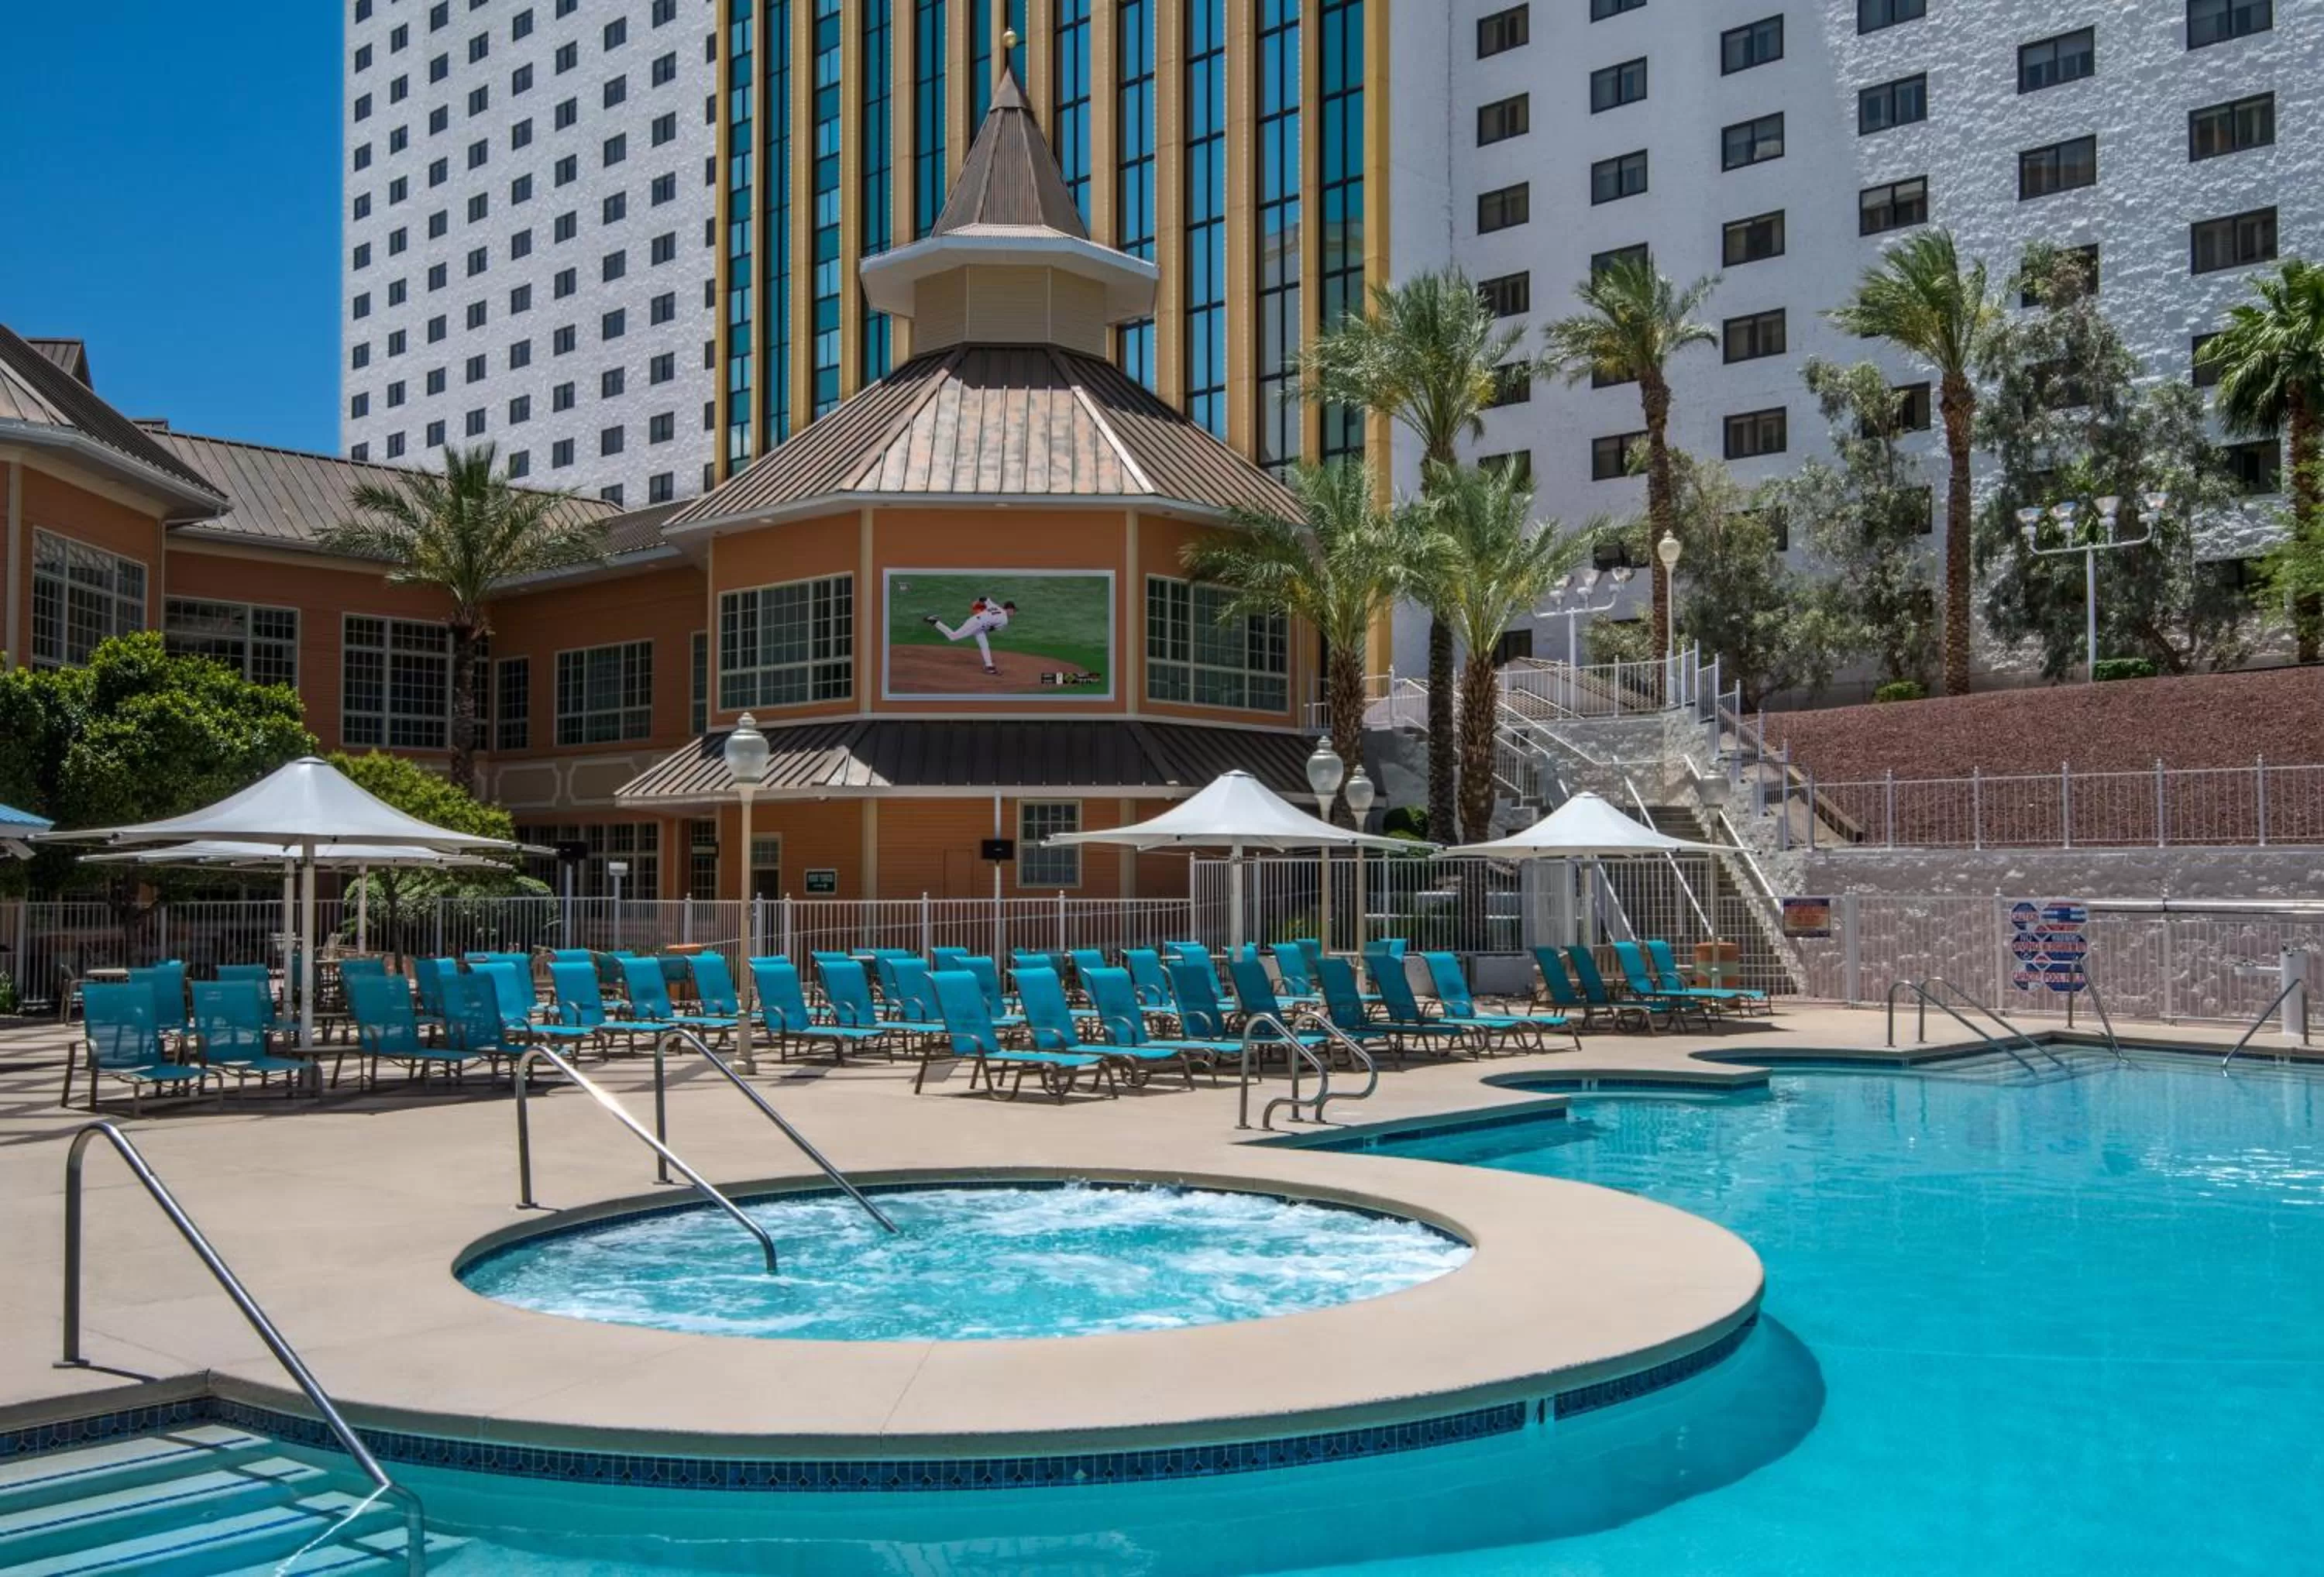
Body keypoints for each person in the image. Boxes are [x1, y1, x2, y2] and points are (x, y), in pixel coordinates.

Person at [923, 597, 1016, 675]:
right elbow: (992, 629)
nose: (1014, 613)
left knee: (984, 644)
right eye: (1013, 610)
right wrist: (986, 625)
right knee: (953, 637)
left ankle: (990, 666)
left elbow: (984, 598)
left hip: (976, 623)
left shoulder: (994, 606)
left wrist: (975, 603)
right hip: (976, 625)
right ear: (1009, 609)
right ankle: (934, 621)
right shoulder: (1005, 620)